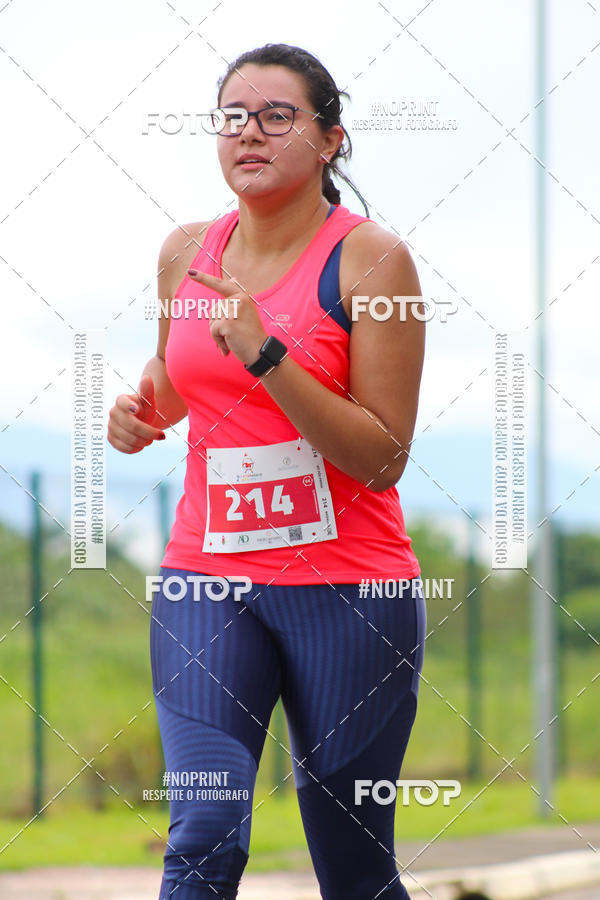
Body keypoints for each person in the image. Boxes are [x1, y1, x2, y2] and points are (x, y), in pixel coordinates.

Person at [108, 42, 426, 900]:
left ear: (330, 140)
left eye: (277, 116)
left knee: (354, 871)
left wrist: (268, 353)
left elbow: (383, 456)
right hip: (207, 581)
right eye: (235, 117)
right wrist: (138, 415)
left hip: (349, 593)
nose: (249, 132)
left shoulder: (373, 262)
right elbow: (175, 382)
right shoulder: (186, 252)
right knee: (203, 831)